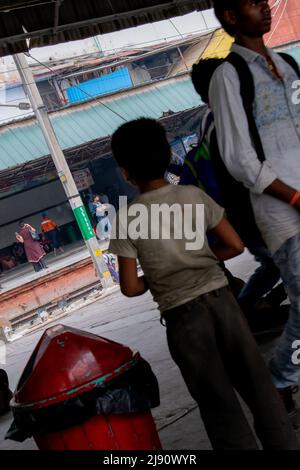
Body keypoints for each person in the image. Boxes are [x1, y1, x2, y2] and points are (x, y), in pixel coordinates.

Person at [109, 117, 299, 450]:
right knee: (259, 389)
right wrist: (198, 258)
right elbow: (235, 246)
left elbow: (130, 287)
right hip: (224, 303)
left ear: (125, 172)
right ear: (169, 156)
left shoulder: (127, 218)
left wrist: (163, 273)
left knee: (217, 404)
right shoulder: (193, 195)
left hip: (183, 320)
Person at [209, 0, 300, 429]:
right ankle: (279, 377)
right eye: (252, 4)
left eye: (265, 2)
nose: (265, 9)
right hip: (279, 209)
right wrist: (294, 197)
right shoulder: (229, 77)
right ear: (229, 16)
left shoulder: (288, 64)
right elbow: (239, 159)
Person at [181, 57, 288, 329]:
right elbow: (246, 176)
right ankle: (246, 309)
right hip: (252, 214)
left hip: (242, 216)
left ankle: (247, 308)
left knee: (275, 263)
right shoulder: (225, 125)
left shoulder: (210, 123)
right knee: (280, 262)